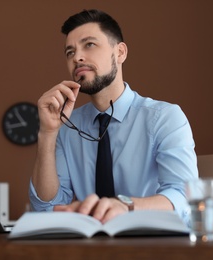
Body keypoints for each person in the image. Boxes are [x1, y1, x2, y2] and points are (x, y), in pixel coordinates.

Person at [29, 9, 198, 224]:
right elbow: (46, 209)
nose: (77, 57)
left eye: (89, 44)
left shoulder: (164, 118)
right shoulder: (66, 126)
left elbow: (184, 199)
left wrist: (125, 206)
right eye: (70, 52)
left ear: (120, 53)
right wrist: (47, 133)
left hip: (153, 247)